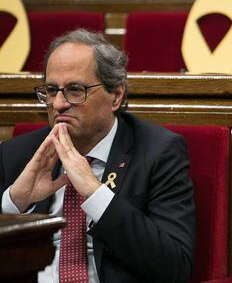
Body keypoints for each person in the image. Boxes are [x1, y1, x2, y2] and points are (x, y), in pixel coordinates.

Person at [0, 29, 195, 283]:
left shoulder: (158, 153)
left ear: (115, 96)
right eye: (51, 90)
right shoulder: (17, 154)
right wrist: (13, 205)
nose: (58, 104)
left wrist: (95, 194)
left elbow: (175, 267)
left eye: (75, 90)